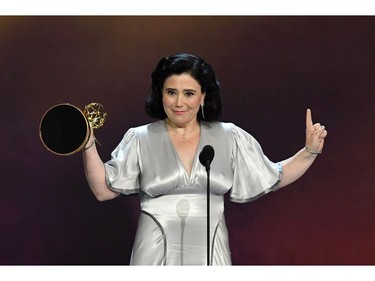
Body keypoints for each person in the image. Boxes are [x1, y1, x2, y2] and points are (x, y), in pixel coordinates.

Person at [82, 53, 328, 265]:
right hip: (153, 255)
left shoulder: (229, 136)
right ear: (161, 95)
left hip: (212, 253)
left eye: (188, 93)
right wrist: (88, 144)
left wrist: (309, 151)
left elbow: (273, 175)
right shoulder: (139, 138)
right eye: (171, 92)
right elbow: (103, 190)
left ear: (202, 96)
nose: (179, 102)